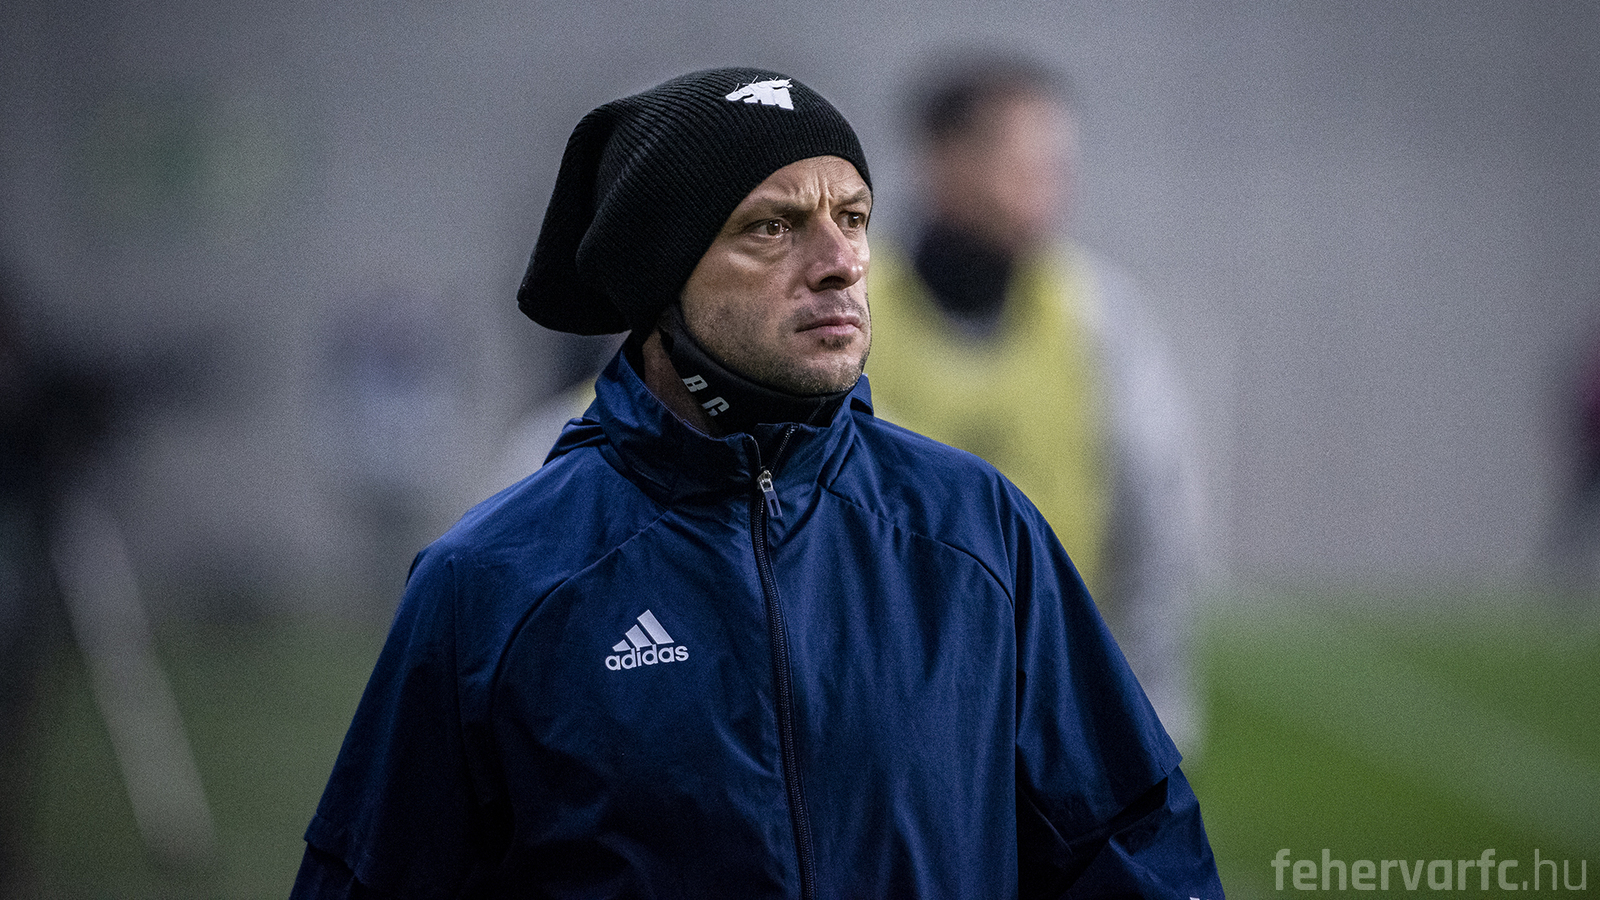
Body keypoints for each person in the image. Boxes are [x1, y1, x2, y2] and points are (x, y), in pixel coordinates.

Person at [291, 67, 1223, 899]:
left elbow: (1128, 842)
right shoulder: (490, 581)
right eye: (771, 228)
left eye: (851, 217)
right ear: (660, 273)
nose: (840, 263)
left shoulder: (979, 532)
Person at [865, 52, 1206, 750]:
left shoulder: (1096, 314)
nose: (1052, 188)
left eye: (1059, 166)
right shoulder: (845, 306)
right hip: (876, 700)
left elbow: (1157, 518)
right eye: (1026, 164)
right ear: (943, 162)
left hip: (1049, 699)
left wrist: (1150, 707)